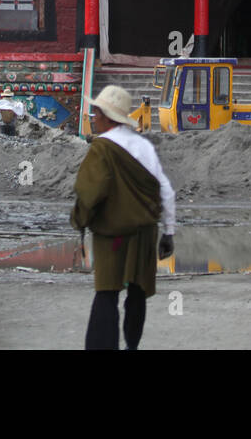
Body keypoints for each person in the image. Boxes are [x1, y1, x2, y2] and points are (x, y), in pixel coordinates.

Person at [71, 84, 175, 350]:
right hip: (144, 233)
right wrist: (168, 233)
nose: (93, 117)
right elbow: (166, 191)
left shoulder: (100, 149)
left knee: (107, 292)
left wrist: (79, 219)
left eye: (96, 113)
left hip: (111, 235)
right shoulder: (143, 146)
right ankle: (131, 346)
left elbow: (91, 192)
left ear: (107, 117)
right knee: (137, 292)